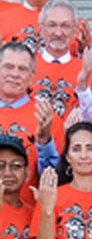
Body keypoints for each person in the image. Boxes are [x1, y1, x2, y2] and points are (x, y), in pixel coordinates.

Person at [0, 42, 61, 203]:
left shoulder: (45, 115)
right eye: (8, 66)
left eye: (22, 69)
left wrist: (44, 140)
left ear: (32, 77)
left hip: (27, 216)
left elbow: (55, 175)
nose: (14, 74)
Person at [30, 0, 92, 123]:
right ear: (40, 29)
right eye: (52, 25)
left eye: (65, 26)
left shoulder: (90, 71)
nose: (58, 33)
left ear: (75, 31)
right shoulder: (25, 68)